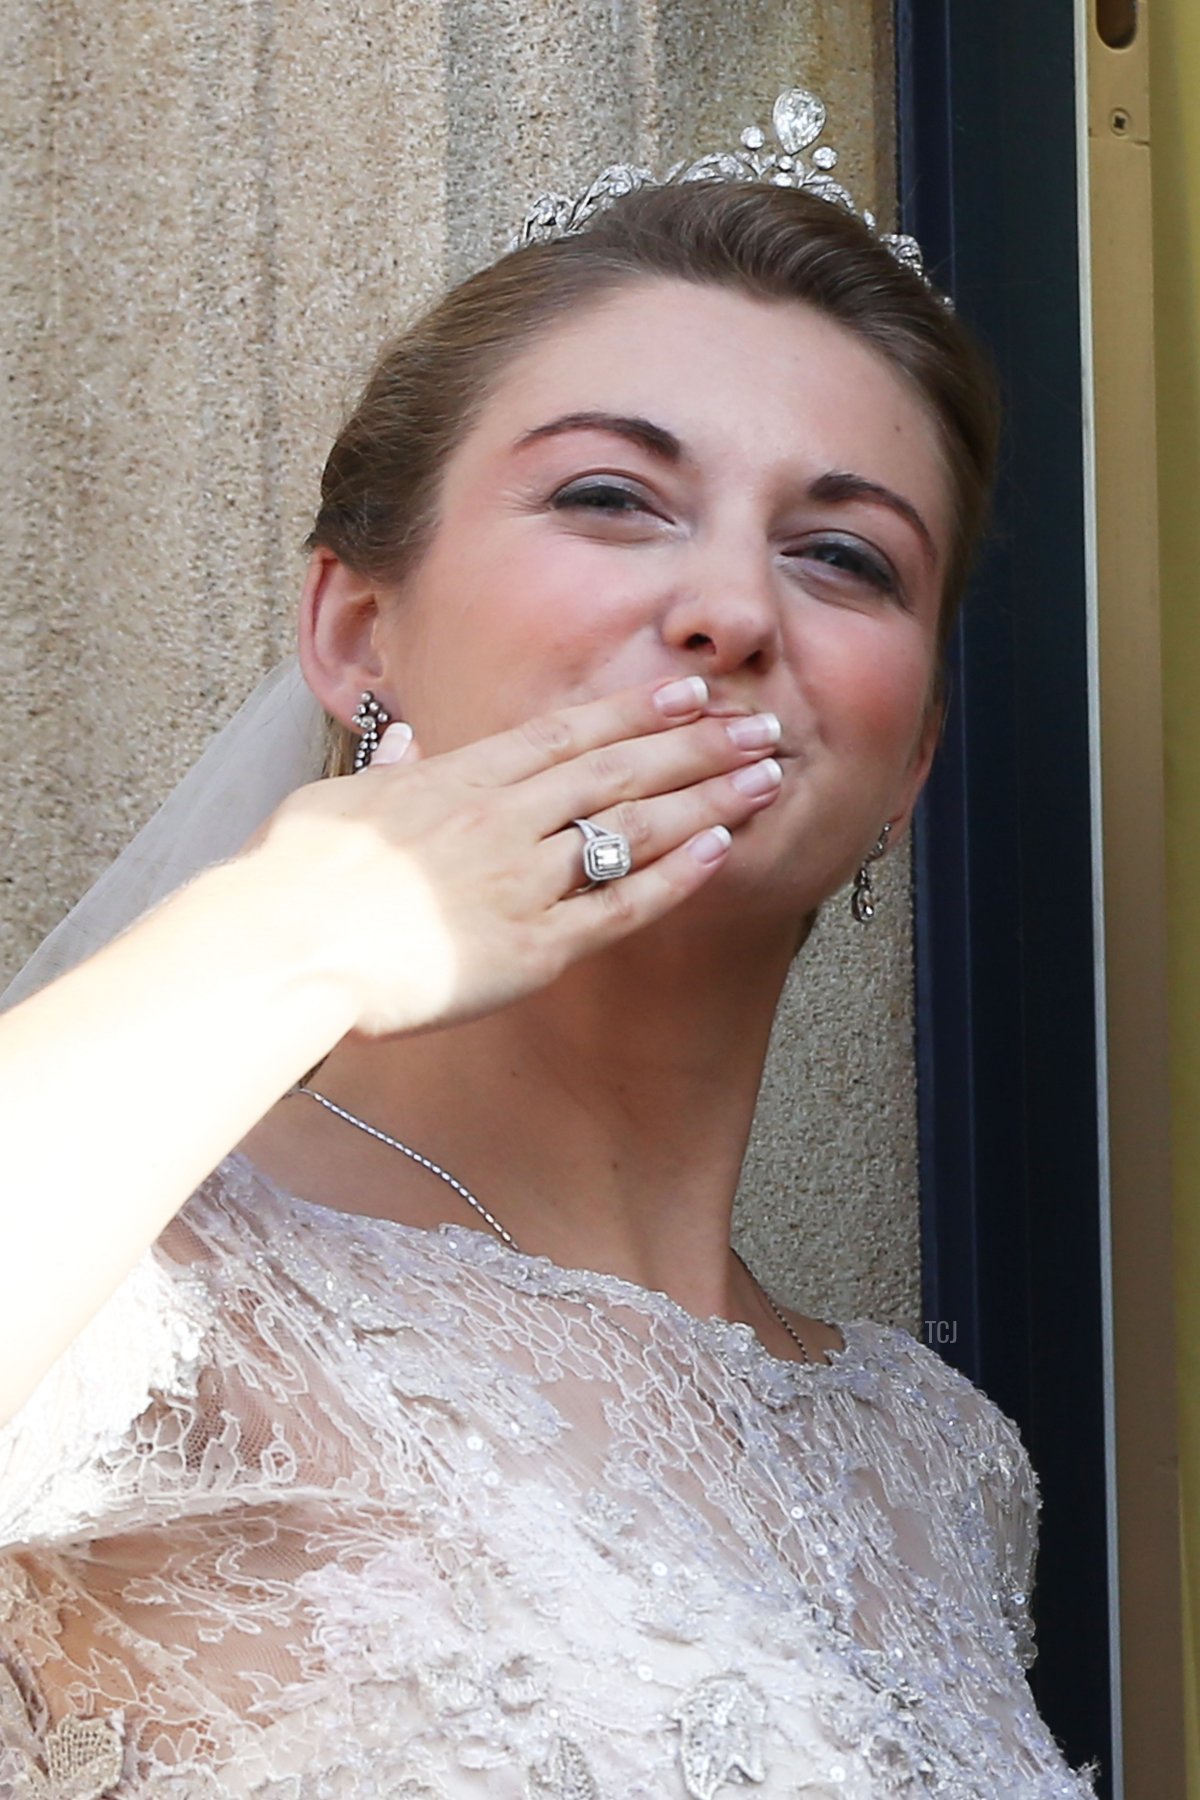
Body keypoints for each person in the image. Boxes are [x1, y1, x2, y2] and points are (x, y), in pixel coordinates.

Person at [0, 101, 1101, 1799]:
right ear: (361, 633)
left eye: (842, 555)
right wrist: (294, 934)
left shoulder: (938, 1465)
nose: (733, 612)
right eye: (612, 495)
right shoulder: (153, 1277)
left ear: (912, 769)